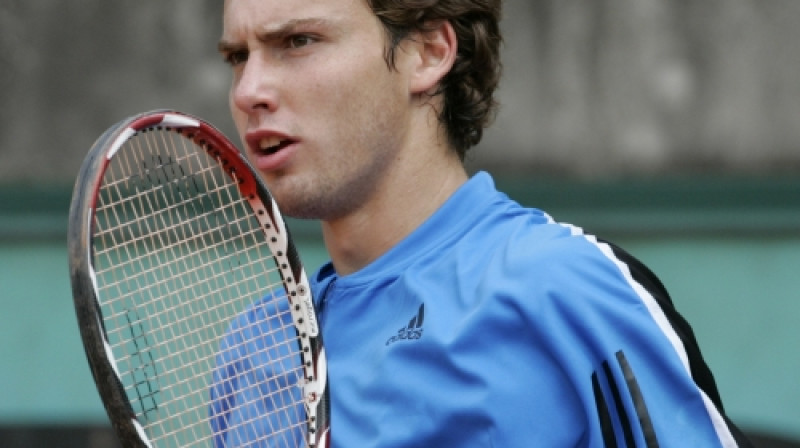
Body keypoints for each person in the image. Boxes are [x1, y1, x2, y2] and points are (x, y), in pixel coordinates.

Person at [210, 0, 754, 446]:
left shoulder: (562, 288)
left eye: (298, 42)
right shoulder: (254, 346)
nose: (248, 90)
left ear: (428, 52)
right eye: (238, 56)